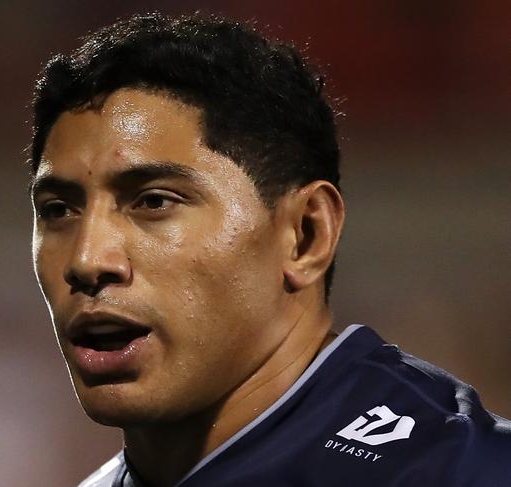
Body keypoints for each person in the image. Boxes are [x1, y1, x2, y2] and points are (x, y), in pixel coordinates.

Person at [28, 12, 511, 487]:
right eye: (58, 210)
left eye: (154, 201)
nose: (87, 261)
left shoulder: (462, 470)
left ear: (305, 234)